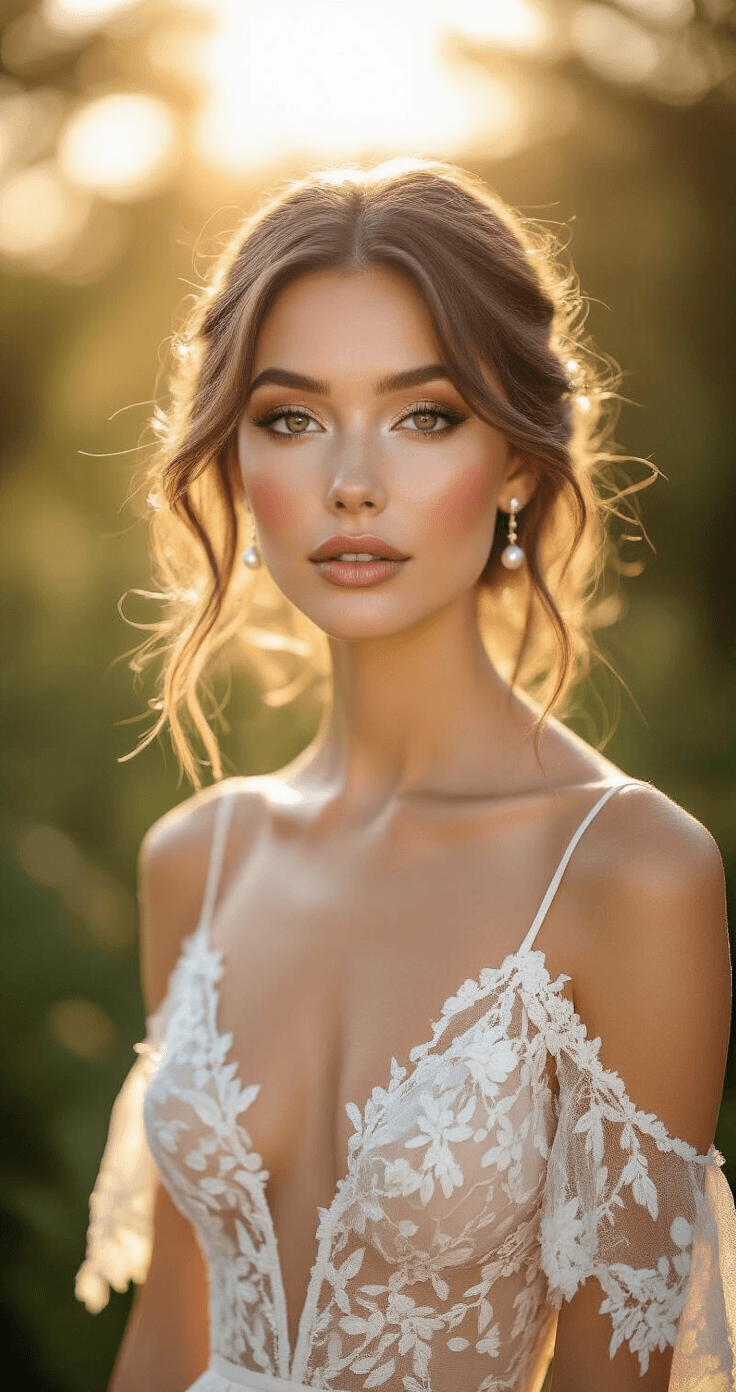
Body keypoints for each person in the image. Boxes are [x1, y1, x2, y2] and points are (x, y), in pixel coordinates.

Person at [75, 159, 735, 1392]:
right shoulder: (197, 857)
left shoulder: (628, 875)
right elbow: (168, 1340)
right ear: (233, 462)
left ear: (522, 464)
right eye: (291, 417)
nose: (352, 481)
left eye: (424, 414)